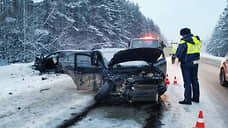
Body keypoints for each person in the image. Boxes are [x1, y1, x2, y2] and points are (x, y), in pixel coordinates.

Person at [175, 28, 201, 105]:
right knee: (195, 80)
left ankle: (188, 100)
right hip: (195, 62)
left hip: (186, 63)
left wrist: (178, 57)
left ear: (183, 34)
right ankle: (196, 98)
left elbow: (178, 53)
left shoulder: (183, 41)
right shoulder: (197, 40)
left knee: (187, 82)